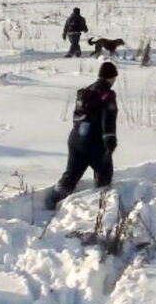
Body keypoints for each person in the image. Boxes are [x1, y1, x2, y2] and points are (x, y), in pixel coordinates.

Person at [46, 62, 119, 210]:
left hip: (76, 139)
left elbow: (78, 117)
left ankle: (51, 201)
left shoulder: (86, 92)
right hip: (94, 142)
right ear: (112, 77)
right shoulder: (107, 95)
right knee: (104, 173)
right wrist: (110, 143)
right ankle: (101, 206)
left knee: (71, 175)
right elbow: (108, 120)